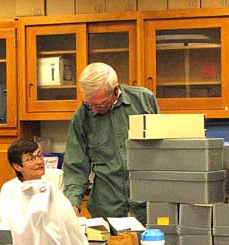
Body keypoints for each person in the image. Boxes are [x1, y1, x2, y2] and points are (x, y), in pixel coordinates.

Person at [63, 62, 160, 225]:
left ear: (115, 90)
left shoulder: (144, 101)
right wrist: (72, 205)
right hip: (107, 210)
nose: (93, 110)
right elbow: (75, 168)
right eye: (89, 103)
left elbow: (163, 150)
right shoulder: (82, 117)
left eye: (99, 104)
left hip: (147, 206)